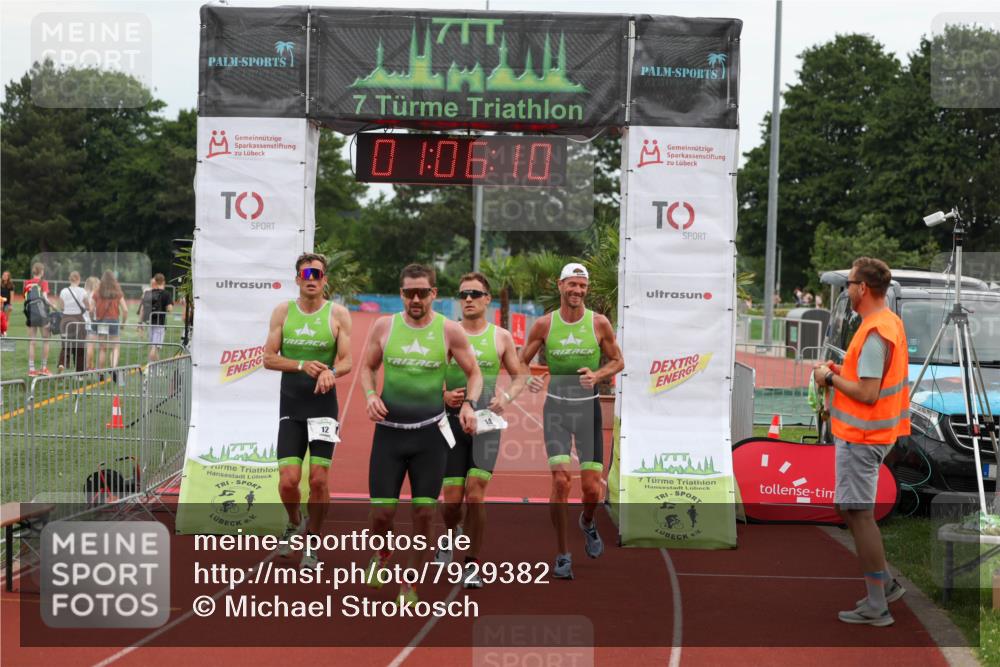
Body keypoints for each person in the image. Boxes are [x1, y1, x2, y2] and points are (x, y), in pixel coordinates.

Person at [360, 263, 482, 604]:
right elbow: (368, 368)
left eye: (423, 292)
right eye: (409, 292)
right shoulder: (384, 327)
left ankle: (409, 582)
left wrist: (470, 404)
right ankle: (382, 554)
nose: (416, 299)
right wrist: (370, 396)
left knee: (424, 512)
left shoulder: (449, 331)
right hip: (389, 434)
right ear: (401, 294)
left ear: (434, 294)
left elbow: (474, 373)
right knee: (383, 513)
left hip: (430, 436)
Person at [813, 257, 909, 627]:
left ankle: (877, 603)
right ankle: (882, 585)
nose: (847, 290)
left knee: (859, 513)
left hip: (863, 436)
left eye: (850, 283)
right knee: (849, 509)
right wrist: (839, 372)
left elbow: (868, 393)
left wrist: (829, 380)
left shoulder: (874, 331)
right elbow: (868, 378)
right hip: (869, 435)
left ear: (862, 288)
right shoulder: (887, 323)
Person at [519, 263, 624, 580]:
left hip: (588, 409)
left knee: (592, 489)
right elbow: (521, 361)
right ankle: (563, 553)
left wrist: (598, 374)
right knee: (562, 481)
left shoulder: (599, 323)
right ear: (560, 285)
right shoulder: (544, 325)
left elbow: (618, 360)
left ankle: (588, 521)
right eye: (572, 285)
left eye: (582, 286)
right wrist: (529, 380)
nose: (577, 291)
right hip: (557, 409)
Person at [434, 272, 529, 588]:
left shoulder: (500, 337)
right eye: (463, 295)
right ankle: (450, 534)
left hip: (486, 423)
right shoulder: (446, 333)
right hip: (450, 422)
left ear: (487, 299)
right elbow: (427, 376)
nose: (469, 299)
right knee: (451, 502)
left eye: (475, 293)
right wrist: (443, 394)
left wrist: (506, 397)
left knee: (475, 495)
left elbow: (519, 377)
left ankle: (472, 564)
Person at [263, 253, 352, 570]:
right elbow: (268, 358)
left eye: (317, 273)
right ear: (298, 278)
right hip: (292, 407)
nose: (311, 278)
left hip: (323, 408)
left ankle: (313, 543)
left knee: (317, 480)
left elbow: (346, 361)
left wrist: (332, 372)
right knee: (288, 481)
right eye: (306, 273)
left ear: (325, 279)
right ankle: (293, 520)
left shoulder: (338, 314)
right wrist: (301, 364)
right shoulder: (283, 312)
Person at [91, 271, 128, 374]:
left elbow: (90, 309)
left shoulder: (97, 292)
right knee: (115, 347)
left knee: (102, 348)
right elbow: (125, 310)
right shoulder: (117, 292)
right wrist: (123, 324)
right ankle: (113, 368)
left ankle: (100, 373)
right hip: (113, 321)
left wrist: (92, 320)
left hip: (101, 321)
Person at [23, 263, 54, 376]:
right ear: (42, 272)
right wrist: (53, 306)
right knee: (46, 340)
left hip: (30, 314)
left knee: (32, 342)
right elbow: (45, 298)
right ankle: (43, 367)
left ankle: (31, 369)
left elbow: (26, 298)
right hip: (42, 315)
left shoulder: (27, 283)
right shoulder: (43, 283)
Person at [57, 271, 90, 373]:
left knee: (66, 344)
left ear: (69, 279)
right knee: (80, 346)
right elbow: (88, 306)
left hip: (66, 319)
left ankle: (62, 363)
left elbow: (61, 307)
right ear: (79, 279)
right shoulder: (82, 291)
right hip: (78, 319)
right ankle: (79, 373)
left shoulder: (63, 291)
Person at [145, 274, 174, 361]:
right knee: (155, 347)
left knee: (153, 347)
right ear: (163, 282)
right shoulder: (166, 293)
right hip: (160, 323)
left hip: (150, 322)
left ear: (155, 281)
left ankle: (157, 368)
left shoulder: (149, 293)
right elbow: (170, 309)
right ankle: (149, 366)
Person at [83, 276, 101, 370]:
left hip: (82, 321)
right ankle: (89, 366)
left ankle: (89, 365)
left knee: (85, 346)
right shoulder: (96, 295)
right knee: (90, 346)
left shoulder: (83, 293)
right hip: (91, 321)